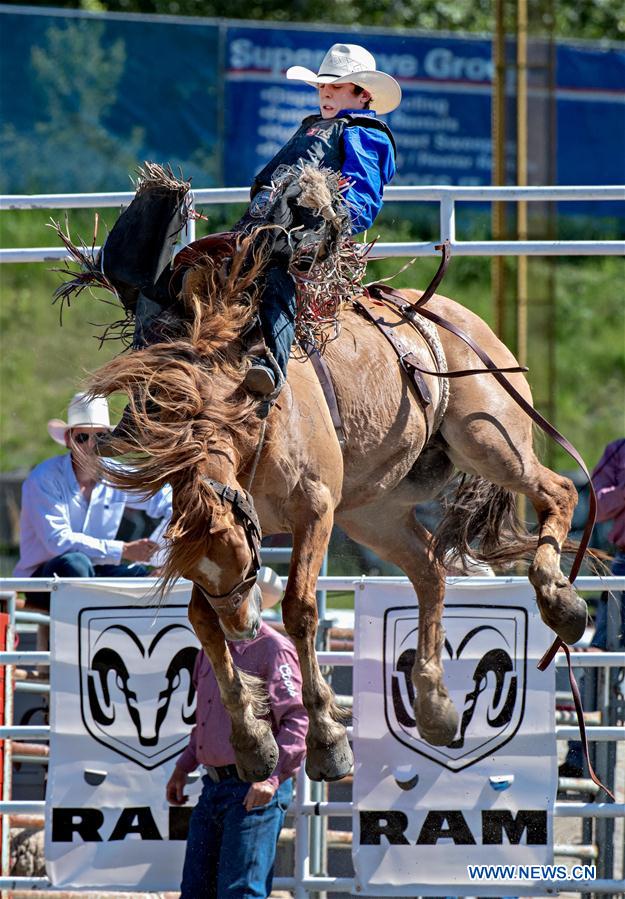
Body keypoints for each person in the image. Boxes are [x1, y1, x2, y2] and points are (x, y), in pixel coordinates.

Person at [235, 42, 401, 396]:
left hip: (310, 243)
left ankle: (272, 367)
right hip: (262, 229)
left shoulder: (362, 132)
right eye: (322, 86)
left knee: (274, 274)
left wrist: (331, 215)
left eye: (336, 86)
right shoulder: (316, 126)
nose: (325, 93)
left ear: (363, 94)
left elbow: (362, 202)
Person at [166, 576, 307, 899]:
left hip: (253, 786)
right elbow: (207, 720)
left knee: (239, 891)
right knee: (198, 891)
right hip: (216, 785)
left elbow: (298, 720)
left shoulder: (273, 648)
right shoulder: (211, 650)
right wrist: (184, 766)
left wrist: (271, 778)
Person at [14, 392, 172, 581]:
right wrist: (124, 550)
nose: (91, 445)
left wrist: (162, 555)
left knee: (147, 579)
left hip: (97, 571)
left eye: (100, 437)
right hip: (44, 577)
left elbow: (170, 500)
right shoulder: (44, 478)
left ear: (109, 441)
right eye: (82, 437)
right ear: (68, 440)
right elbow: (58, 542)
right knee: (76, 564)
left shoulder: (117, 474)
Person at [559, 437, 625, 778]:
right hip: (623, 564)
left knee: (602, 659)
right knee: (599, 660)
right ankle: (580, 761)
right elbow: (596, 505)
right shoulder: (618, 450)